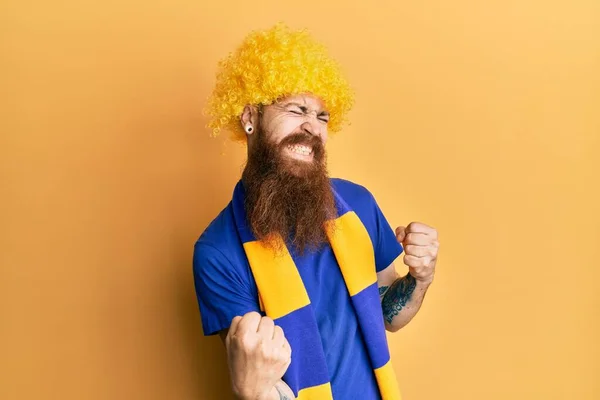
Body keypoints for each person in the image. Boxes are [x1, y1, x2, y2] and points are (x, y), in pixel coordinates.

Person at [193, 23, 440, 400]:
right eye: (296, 109)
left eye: (322, 117)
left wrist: (419, 278)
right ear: (249, 117)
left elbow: (389, 315)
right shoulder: (218, 252)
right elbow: (265, 380)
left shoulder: (357, 204)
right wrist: (249, 389)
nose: (312, 127)